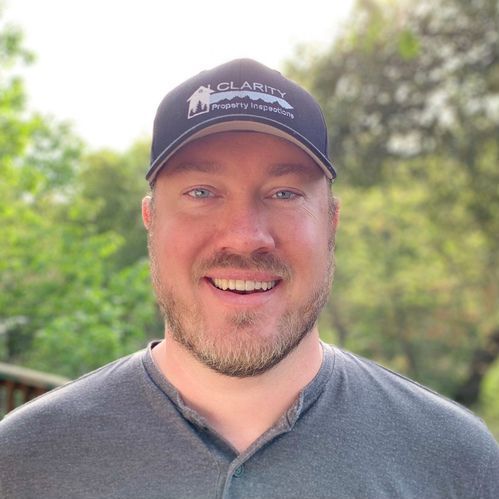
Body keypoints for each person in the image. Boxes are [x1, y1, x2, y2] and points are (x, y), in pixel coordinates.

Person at [1, 58, 498, 498]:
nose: (244, 237)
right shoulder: (24, 462)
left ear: (331, 221)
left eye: (284, 193)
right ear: (151, 220)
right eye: (201, 192)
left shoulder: (457, 463)